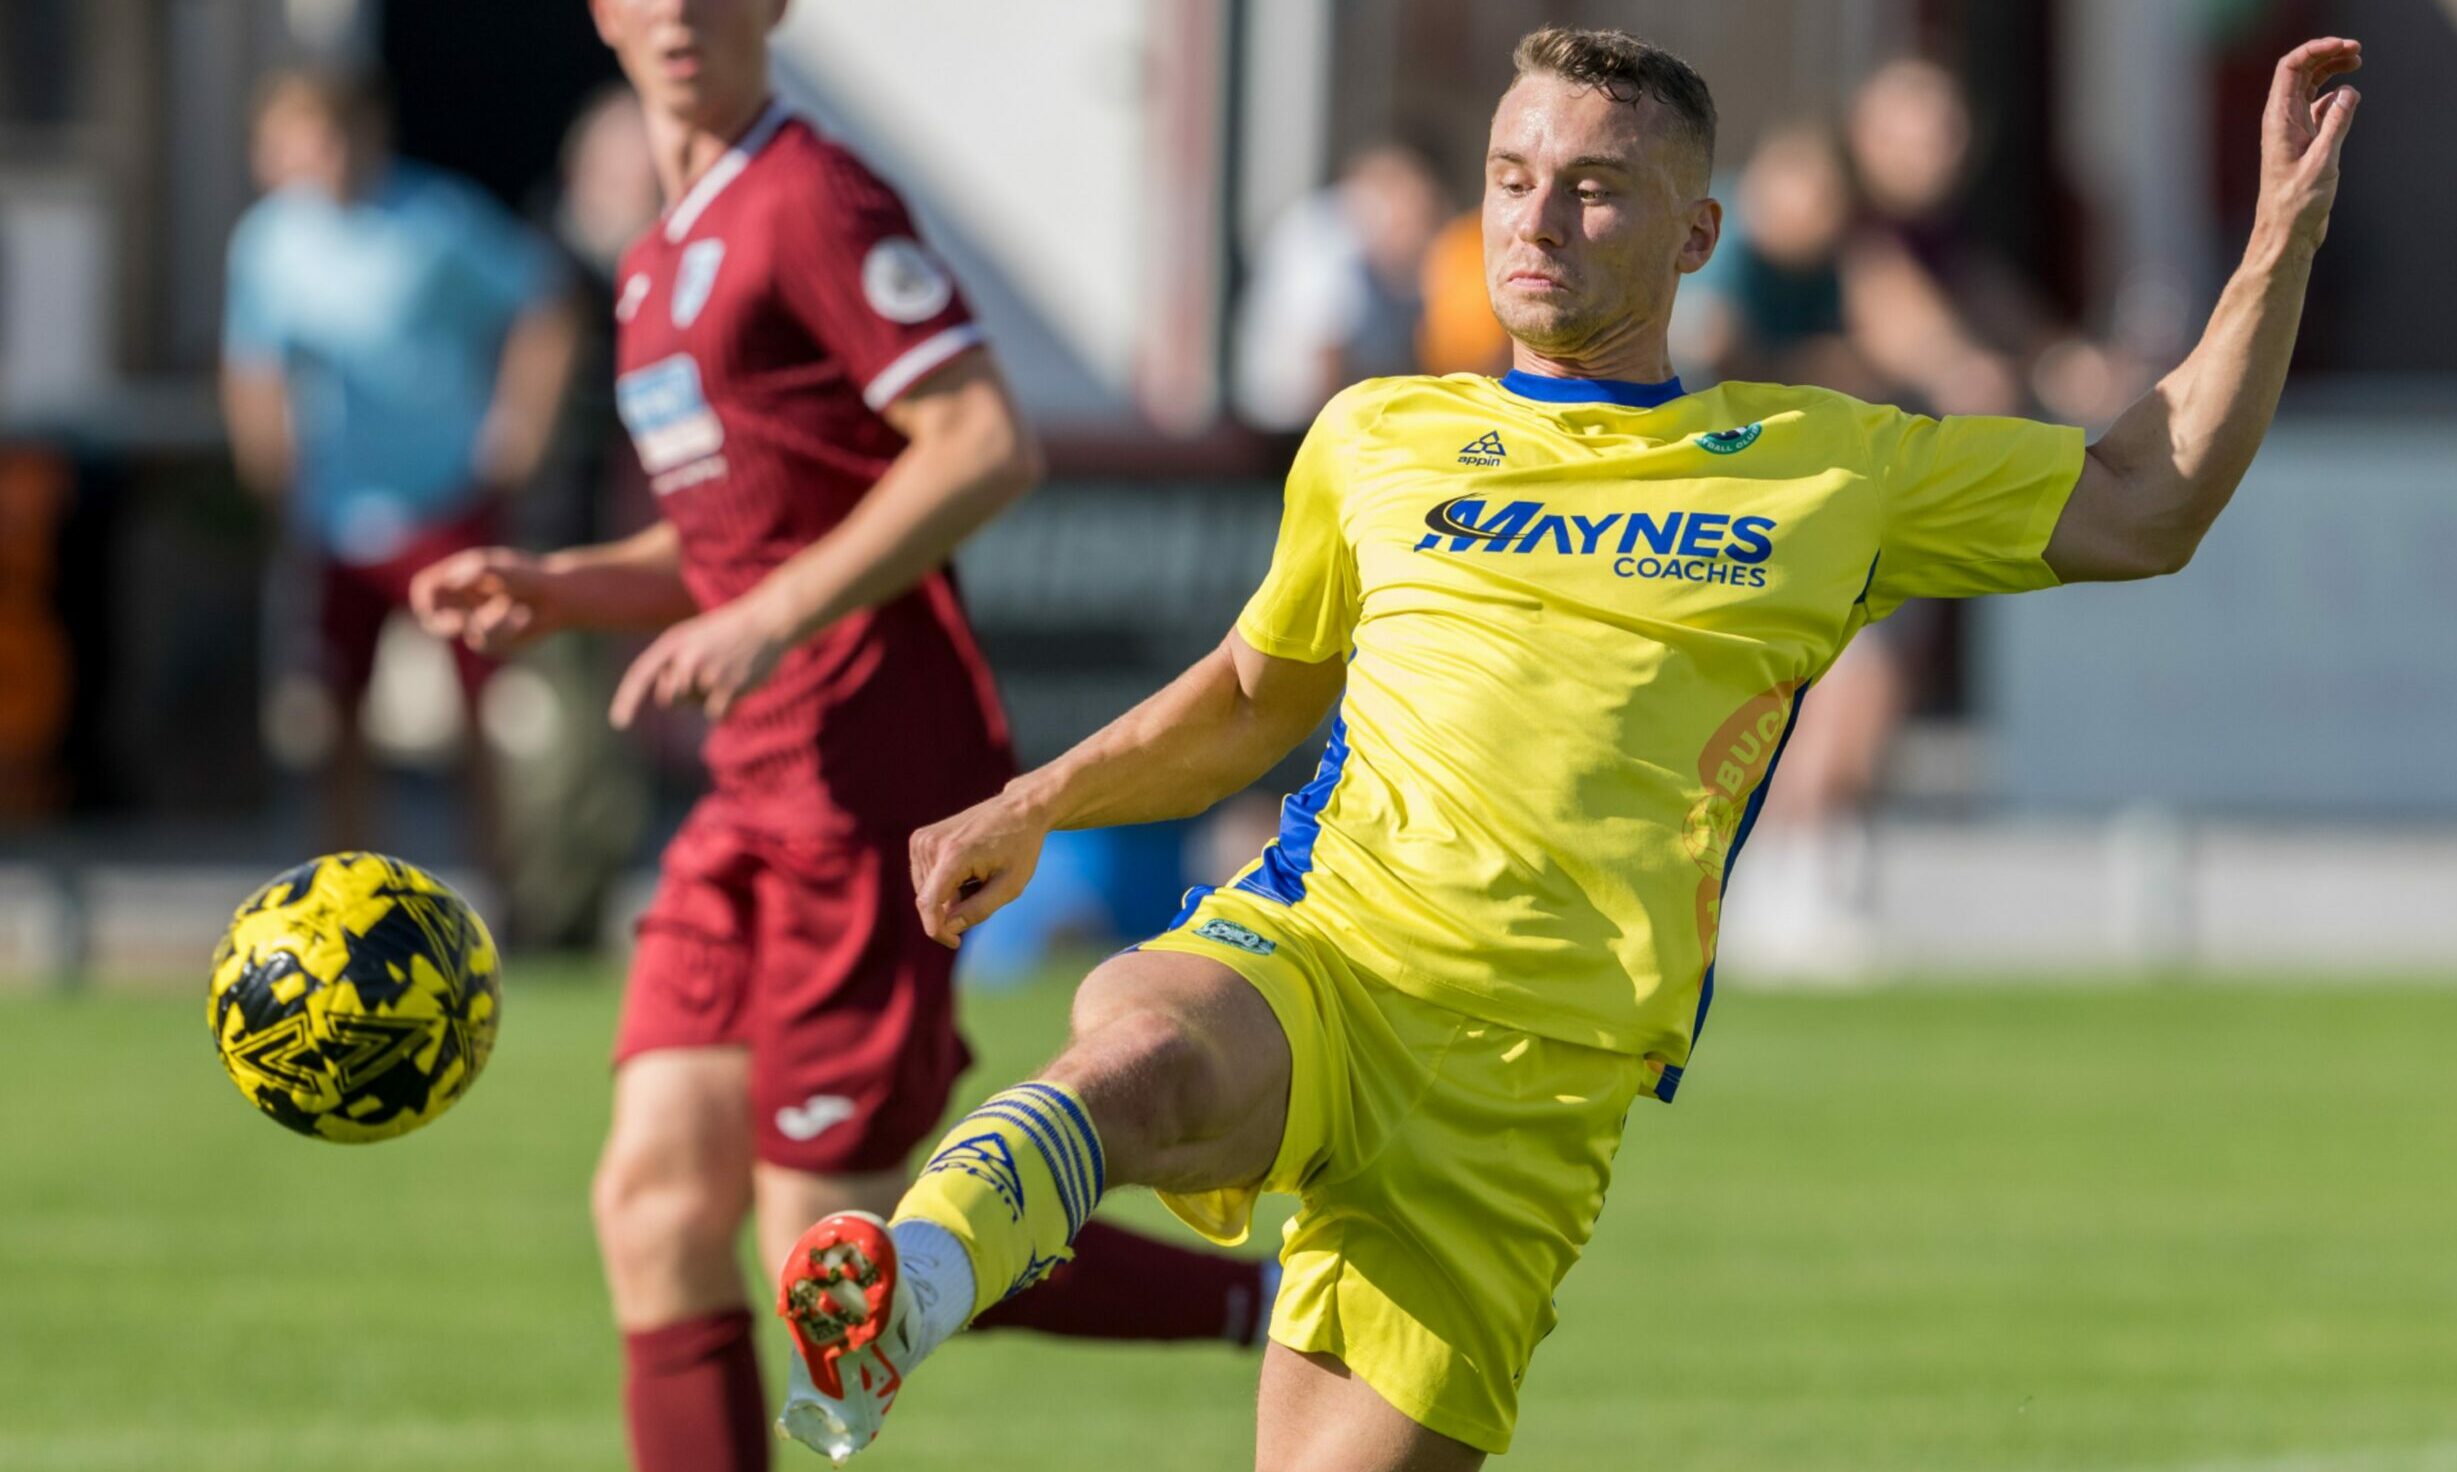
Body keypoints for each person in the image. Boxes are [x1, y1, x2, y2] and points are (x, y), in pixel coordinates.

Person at [774, 24, 2363, 1469]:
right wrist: (1038, 799)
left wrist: (2274, 244)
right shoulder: (1377, 435)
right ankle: (908, 1287)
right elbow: (1258, 697)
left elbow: (2148, 504)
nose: (1534, 221)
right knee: (1140, 1056)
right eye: (1512, 179)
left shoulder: (1827, 463)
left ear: (1694, 236)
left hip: (1534, 1091)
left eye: (1595, 191)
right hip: (1327, 948)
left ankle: (930, 1277)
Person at [411, 4, 1272, 1470]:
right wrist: (567, 591)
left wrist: (771, 618)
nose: (680, 13)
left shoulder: (810, 195)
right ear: (605, 15)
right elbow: (741, 548)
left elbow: (986, 441)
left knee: (836, 1251)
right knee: (654, 1207)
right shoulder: (652, 260)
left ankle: (1272, 1303)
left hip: (874, 776)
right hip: (754, 796)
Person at [222, 68, 579, 881]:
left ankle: (502, 893)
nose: (320, 156)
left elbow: (543, 304)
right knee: (333, 715)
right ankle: (338, 902)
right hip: (336, 515)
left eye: (332, 135)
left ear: (366, 134)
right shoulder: (268, 242)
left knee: (477, 710)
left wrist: (519, 427)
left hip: (445, 501)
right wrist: (267, 463)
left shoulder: (439, 220)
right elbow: (251, 363)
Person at [1234, 140, 1450, 430]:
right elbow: (1327, 353)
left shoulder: (1372, 248)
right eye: (1420, 214)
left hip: (1334, 415)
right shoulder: (1330, 238)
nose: (1424, 235)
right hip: (1293, 424)